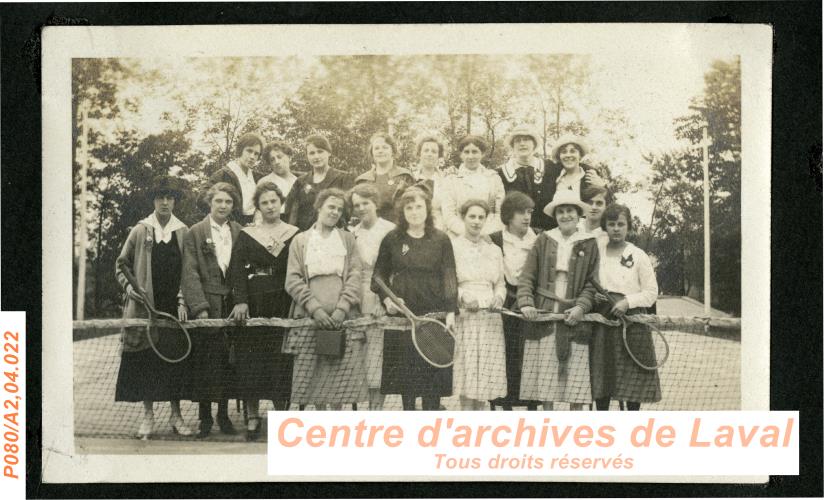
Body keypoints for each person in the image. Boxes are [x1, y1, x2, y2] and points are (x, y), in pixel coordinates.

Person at [114, 176, 193, 439]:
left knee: (173, 365)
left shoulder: (184, 231)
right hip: (145, 309)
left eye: (170, 197)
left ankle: (176, 416)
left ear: (175, 201)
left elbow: (188, 272)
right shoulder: (140, 230)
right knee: (147, 363)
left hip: (173, 309)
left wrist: (183, 301)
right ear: (154, 200)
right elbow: (121, 265)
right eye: (160, 197)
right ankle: (148, 417)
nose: (165, 202)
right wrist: (130, 290)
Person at [372, 186, 458, 411]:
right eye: (409, 208)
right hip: (403, 317)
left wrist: (450, 312)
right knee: (405, 381)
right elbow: (378, 276)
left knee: (434, 381)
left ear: (428, 210)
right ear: (402, 212)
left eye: (419, 206)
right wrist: (388, 301)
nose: (414, 212)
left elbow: (449, 276)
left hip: (435, 316)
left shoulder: (441, 239)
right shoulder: (392, 239)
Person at [283, 188, 367, 410]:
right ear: (319, 207)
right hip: (311, 319)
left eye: (339, 209)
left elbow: (355, 274)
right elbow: (292, 280)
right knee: (316, 380)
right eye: (331, 206)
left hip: (343, 318)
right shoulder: (300, 241)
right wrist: (315, 310)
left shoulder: (348, 239)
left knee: (339, 381)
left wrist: (342, 309)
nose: (335, 212)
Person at [229, 182, 299, 440]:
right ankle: (252, 415)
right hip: (255, 298)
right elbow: (237, 269)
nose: (270, 206)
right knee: (252, 358)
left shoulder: (294, 234)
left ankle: (282, 414)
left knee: (281, 357)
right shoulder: (248, 234)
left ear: (281, 203)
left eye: (274, 201)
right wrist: (241, 300)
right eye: (264, 203)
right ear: (257, 207)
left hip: (283, 298)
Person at [517, 190, 599, 411]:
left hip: (575, 315)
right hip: (545, 312)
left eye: (569, 211)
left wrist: (581, 307)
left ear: (578, 214)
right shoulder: (544, 240)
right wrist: (526, 302)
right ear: (555, 215)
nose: (565, 216)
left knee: (576, 380)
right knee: (546, 376)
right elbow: (527, 276)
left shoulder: (590, 243)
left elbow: (593, 283)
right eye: (560, 212)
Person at [181, 182, 242, 438]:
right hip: (208, 305)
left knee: (229, 361)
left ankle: (224, 414)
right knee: (206, 362)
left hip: (231, 305)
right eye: (219, 201)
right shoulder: (195, 232)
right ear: (210, 202)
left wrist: (240, 300)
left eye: (228, 202)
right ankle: (205, 417)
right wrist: (200, 307)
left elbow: (241, 270)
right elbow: (190, 271)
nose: (223, 206)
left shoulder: (239, 231)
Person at [590, 204, 661, 411]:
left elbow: (651, 293)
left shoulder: (639, 255)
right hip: (604, 321)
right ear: (605, 226)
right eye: (611, 224)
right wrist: (595, 297)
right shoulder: (597, 252)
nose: (616, 229)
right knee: (603, 377)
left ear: (628, 227)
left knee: (633, 379)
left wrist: (627, 302)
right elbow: (590, 283)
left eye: (621, 224)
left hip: (633, 324)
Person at [451, 199, 508, 410]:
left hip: (490, 316)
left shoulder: (494, 250)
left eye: (481, 217)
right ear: (463, 218)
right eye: (471, 216)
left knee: (485, 374)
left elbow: (501, 284)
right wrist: (464, 296)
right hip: (466, 315)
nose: (476, 221)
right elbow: (448, 282)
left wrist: (498, 298)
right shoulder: (453, 246)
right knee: (467, 373)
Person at [488, 191, 540, 411]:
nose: (526, 217)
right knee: (506, 353)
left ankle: (531, 407)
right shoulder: (494, 239)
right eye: (521, 212)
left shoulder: (539, 237)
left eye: (529, 212)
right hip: (504, 303)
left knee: (529, 355)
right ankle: (504, 406)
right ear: (509, 215)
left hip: (531, 302)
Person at [348, 184, 396, 410]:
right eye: (356, 205)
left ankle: (375, 412)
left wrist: (384, 300)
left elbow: (395, 269)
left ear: (375, 203)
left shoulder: (390, 230)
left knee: (377, 357)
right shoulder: (353, 233)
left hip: (381, 295)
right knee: (359, 357)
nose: (360, 208)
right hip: (357, 295)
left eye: (365, 203)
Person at [532, 133, 606, 232]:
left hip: (585, 232)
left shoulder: (590, 177)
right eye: (564, 152)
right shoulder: (551, 178)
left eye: (573, 151)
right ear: (559, 156)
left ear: (580, 155)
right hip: (555, 232)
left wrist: (603, 186)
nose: (568, 155)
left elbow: (606, 206)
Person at [439, 135, 505, 238]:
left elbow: (500, 213)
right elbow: (449, 215)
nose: (470, 156)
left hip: (489, 235)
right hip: (458, 235)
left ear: (482, 154)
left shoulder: (493, 178)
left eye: (475, 152)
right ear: (461, 154)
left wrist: (486, 233)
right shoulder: (451, 180)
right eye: (466, 152)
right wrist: (468, 234)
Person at [286, 135, 355, 231]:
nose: (316, 156)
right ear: (307, 156)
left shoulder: (343, 178)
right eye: (312, 153)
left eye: (320, 151)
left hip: (334, 234)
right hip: (305, 235)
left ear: (329, 152)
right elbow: (291, 212)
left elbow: (350, 211)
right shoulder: (301, 181)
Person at [354, 133, 414, 223]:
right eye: (376, 148)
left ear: (393, 151)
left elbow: (413, 206)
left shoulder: (404, 176)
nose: (380, 151)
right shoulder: (362, 180)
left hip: (399, 229)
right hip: (371, 230)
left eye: (385, 147)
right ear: (372, 153)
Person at [209, 133, 265, 225]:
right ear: (240, 150)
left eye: (256, 154)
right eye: (249, 151)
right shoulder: (223, 175)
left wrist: (258, 213)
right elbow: (202, 199)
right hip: (230, 226)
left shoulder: (256, 177)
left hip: (254, 225)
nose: (252, 157)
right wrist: (228, 221)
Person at [411, 135, 451, 230]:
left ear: (439, 156)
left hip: (440, 228)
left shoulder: (446, 180)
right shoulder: (411, 178)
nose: (430, 154)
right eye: (426, 150)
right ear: (419, 154)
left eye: (434, 151)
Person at [496, 125, 543, 197]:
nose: (522, 144)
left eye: (526, 139)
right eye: (517, 141)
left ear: (534, 144)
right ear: (512, 146)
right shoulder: (500, 174)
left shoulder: (549, 167)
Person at [257, 141, 298, 220]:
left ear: (289, 156)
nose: (277, 162)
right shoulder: (264, 182)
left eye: (279, 157)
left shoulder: (298, 181)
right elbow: (258, 211)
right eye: (272, 159)